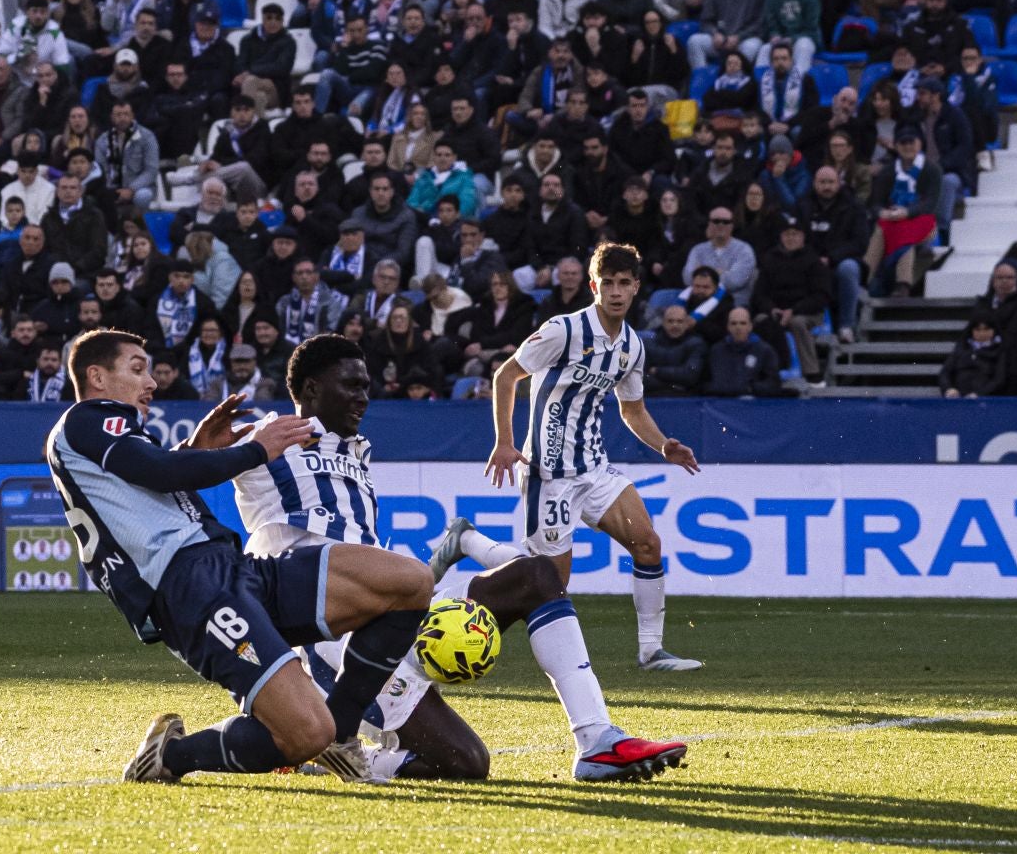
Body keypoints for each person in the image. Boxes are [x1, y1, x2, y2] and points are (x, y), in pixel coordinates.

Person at [232, 334, 687, 782]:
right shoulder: (264, 440)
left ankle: (597, 740)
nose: (364, 398)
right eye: (352, 385)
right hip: (336, 647)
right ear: (310, 389)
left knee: (536, 575)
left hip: (391, 612)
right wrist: (206, 446)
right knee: (466, 764)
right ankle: (325, 755)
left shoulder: (353, 449)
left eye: (366, 386)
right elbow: (179, 471)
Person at [43, 328, 433, 783]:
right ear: (96, 377)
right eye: (136, 369)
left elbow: (156, 480)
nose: (150, 381)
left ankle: (343, 736)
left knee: (410, 581)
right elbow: (159, 472)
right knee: (307, 733)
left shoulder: (108, 437)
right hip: (191, 590)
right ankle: (174, 755)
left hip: (230, 569)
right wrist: (255, 451)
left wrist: (195, 450)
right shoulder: (86, 418)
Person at [486, 243, 703, 671]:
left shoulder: (632, 347)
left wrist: (663, 445)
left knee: (648, 543)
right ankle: (468, 559)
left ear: (637, 288)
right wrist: (504, 442)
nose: (616, 291)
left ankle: (650, 652)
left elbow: (632, 409)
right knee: (550, 584)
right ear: (594, 286)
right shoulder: (562, 330)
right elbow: (506, 375)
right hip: (549, 474)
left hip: (594, 469)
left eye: (625, 283)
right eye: (608, 283)